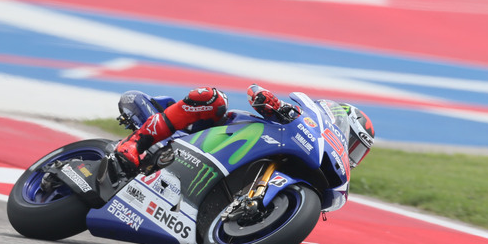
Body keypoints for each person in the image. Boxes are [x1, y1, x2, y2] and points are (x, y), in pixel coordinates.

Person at [115, 84, 375, 170]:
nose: (349, 155)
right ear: (339, 123)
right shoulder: (301, 120)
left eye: (356, 154)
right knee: (212, 98)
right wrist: (270, 101)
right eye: (351, 144)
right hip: (213, 135)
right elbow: (256, 93)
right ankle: (135, 143)